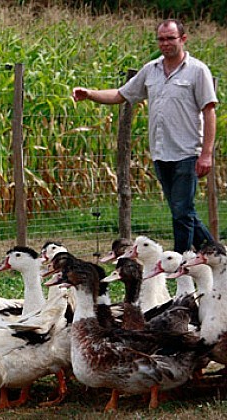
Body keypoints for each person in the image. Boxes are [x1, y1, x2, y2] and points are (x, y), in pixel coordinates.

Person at [72, 18, 218, 254]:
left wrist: (206, 154)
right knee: (183, 212)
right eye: (161, 39)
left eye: (170, 38)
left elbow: (209, 111)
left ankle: (178, 263)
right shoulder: (151, 70)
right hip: (161, 153)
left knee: (182, 212)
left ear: (183, 39)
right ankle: (217, 254)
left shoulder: (197, 71)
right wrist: (89, 94)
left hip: (187, 153)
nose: (165, 43)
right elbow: (121, 94)